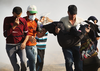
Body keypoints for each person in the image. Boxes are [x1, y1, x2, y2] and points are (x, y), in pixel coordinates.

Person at [57, 5, 84, 71]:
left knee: (79, 66)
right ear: (68, 12)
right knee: (69, 62)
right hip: (67, 46)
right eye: (71, 14)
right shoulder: (63, 20)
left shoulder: (81, 20)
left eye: (74, 14)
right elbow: (59, 30)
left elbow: (85, 32)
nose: (73, 16)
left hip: (78, 46)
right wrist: (57, 30)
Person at [3, 6, 29, 71]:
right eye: (16, 16)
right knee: (16, 67)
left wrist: (24, 43)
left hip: (20, 45)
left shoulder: (23, 20)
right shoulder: (7, 19)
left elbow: (27, 34)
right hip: (10, 46)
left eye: (19, 16)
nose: (17, 18)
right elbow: (5, 34)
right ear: (12, 13)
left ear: (21, 14)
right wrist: (14, 25)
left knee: (24, 62)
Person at [23, 5, 47, 71]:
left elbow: (39, 35)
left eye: (34, 13)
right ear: (27, 13)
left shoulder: (36, 22)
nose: (33, 15)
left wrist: (44, 32)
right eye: (31, 13)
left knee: (34, 61)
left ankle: (23, 66)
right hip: (26, 45)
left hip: (34, 45)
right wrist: (28, 37)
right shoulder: (23, 21)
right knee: (32, 59)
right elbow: (20, 33)